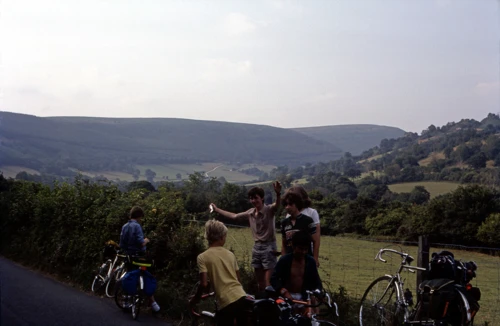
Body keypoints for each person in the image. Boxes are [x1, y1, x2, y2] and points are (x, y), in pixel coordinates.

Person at [210, 181, 282, 292]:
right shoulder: (250, 213)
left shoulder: (269, 210)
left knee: (268, 284)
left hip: (269, 247)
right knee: (260, 284)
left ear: (262, 198)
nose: (254, 201)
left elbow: (277, 205)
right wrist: (217, 209)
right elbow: (234, 216)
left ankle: (270, 305)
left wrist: (278, 194)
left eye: (256, 198)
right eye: (251, 198)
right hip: (256, 248)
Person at [189, 220, 252, 326]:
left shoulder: (202, 257)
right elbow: (238, 280)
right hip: (241, 296)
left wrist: (195, 299)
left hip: (225, 301)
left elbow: (203, 283)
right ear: (222, 237)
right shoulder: (230, 254)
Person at [119, 206, 160, 312]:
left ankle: (126, 302)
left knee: (129, 277)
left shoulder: (125, 226)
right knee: (144, 276)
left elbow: (122, 244)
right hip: (139, 257)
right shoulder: (137, 226)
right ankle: (152, 302)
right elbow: (141, 243)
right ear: (139, 216)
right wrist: (146, 240)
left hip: (128, 256)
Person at [271, 231, 322, 312]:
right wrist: (283, 291)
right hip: (286, 297)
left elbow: (317, 282)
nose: (303, 252)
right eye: (301, 249)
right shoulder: (284, 260)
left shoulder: (310, 262)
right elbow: (274, 278)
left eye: (306, 249)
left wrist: (316, 294)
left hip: (304, 297)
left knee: (314, 310)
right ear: (294, 246)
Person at [284, 186, 321, 267]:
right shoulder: (288, 215)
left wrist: (315, 258)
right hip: (291, 252)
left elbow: (316, 238)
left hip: (306, 252)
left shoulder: (311, 212)